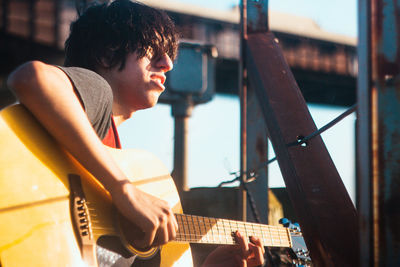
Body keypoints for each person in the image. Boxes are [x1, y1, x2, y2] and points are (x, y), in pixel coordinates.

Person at [6, 0, 265, 266]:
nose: (167, 64)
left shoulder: (114, 156)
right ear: (106, 55)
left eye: (169, 55)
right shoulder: (98, 91)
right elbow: (31, 77)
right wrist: (124, 190)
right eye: (153, 50)